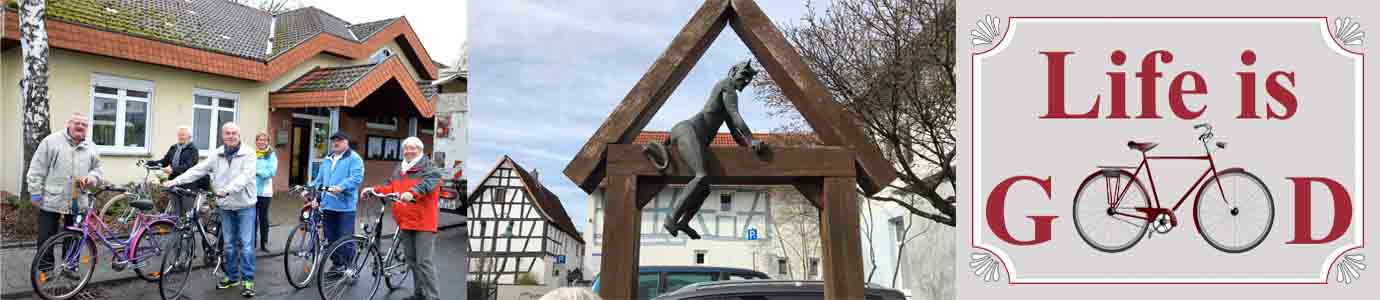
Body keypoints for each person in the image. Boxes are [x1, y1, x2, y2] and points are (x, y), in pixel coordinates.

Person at [162, 122, 259, 297]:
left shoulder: (249, 153)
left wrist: (226, 189)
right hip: (226, 206)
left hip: (245, 205)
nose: (231, 136)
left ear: (239, 135)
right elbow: (198, 169)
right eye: (227, 133)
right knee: (228, 245)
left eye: (234, 133)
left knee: (246, 245)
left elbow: (246, 176)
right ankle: (232, 277)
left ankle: (248, 280)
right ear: (223, 136)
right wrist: (175, 181)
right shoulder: (217, 154)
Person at [363, 137, 440, 300]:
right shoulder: (401, 168)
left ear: (420, 150)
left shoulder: (429, 168)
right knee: (412, 261)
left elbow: (427, 184)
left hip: (423, 221)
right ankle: (419, 294)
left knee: (424, 262)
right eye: (406, 148)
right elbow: (391, 186)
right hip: (405, 220)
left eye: (413, 149)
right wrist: (373, 189)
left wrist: (412, 193)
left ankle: (433, 297)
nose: (408, 151)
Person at [27, 112, 103, 274]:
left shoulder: (91, 146)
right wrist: (35, 192)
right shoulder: (51, 141)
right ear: (69, 124)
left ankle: (70, 267)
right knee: (46, 237)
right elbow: (36, 168)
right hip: (51, 198)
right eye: (77, 123)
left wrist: (92, 177)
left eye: (84, 124)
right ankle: (45, 270)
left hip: (78, 200)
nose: (80, 126)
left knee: (74, 235)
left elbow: (98, 169)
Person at [305, 132, 363, 277]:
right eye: (334, 141)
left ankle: (350, 267)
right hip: (328, 204)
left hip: (345, 206)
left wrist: (341, 187)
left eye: (339, 140)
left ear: (346, 142)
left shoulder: (354, 158)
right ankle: (337, 265)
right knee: (331, 237)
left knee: (344, 238)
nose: (336, 143)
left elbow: (356, 178)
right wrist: (309, 189)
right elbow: (319, 179)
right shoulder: (327, 158)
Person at [155, 126, 208, 218]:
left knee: (188, 211)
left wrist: (173, 170)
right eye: (179, 135)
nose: (180, 137)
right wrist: (149, 163)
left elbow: (189, 166)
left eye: (183, 135)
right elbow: (164, 161)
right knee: (176, 211)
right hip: (173, 182)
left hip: (187, 185)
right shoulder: (174, 148)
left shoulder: (193, 149)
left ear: (189, 137)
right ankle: (178, 230)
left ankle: (191, 230)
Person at [253, 132, 278, 252]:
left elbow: (271, 172)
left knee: (263, 218)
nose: (261, 142)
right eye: (259, 140)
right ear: (256, 142)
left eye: (264, 140)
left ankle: (264, 243)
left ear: (268, 142)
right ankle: (252, 242)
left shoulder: (271, 155)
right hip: (252, 190)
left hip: (264, 192)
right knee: (252, 218)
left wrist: (257, 171)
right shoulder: (252, 154)